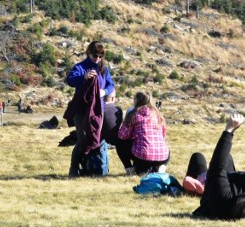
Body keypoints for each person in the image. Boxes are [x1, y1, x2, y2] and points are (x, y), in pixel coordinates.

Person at [64, 41, 115, 177]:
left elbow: (111, 85)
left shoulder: (104, 68)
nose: (97, 58)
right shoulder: (80, 67)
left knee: (96, 138)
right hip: (81, 110)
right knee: (83, 138)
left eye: (100, 56)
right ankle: (73, 169)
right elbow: (70, 80)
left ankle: (92, 167)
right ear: (88, 53)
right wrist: (83, 77)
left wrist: (104, 92)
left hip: (98, 109)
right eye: (95, 56)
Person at [118, 91, 170, 175]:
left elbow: (122, 136)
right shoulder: (158, 114)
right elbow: (163, 135)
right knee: (164, 146)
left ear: (137, 101)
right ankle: (161, 166)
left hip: (143, 155)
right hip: (163, 155)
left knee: (120, 143)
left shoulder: (133, 114)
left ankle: (129, 169)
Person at [101, 92, 134, 174]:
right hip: (115, 137)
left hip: (100, 136)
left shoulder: (98, 109)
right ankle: (131, 167)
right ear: (112, 98)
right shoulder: (118, 110)